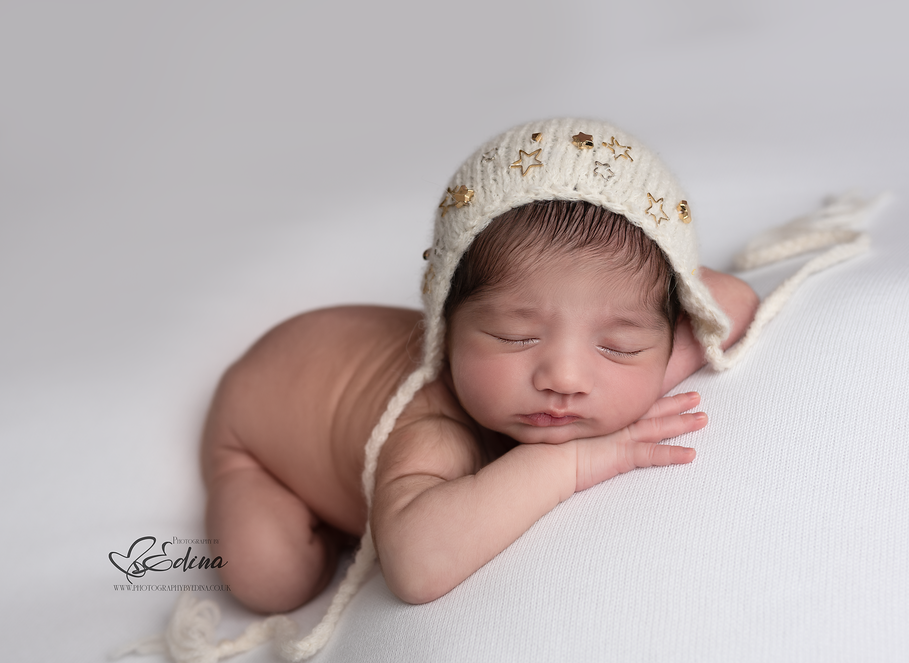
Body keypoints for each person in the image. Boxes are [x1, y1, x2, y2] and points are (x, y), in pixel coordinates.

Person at [201, 118, 759, 615]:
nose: (564, 379)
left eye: (618, 346)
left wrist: (633, 390)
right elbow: (416, 567)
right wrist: (574, 461)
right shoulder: (436, 430)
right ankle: (293, 497)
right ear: (445, 332)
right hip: (257, 422)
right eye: (514, 337)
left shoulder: (599, 353)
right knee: (270, 579)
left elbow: (730, 298)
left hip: (323, 347)